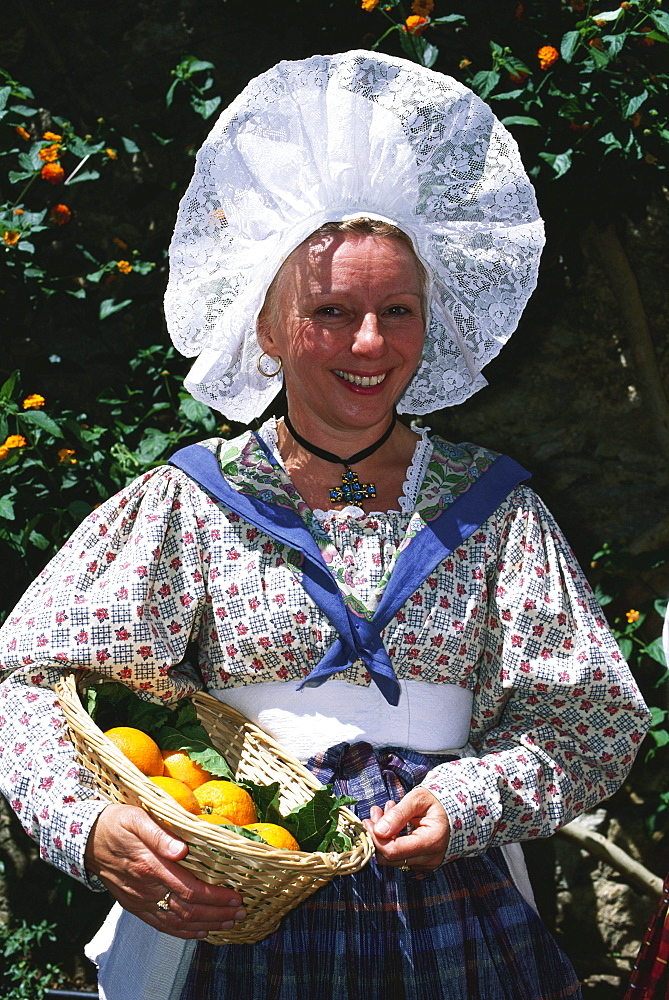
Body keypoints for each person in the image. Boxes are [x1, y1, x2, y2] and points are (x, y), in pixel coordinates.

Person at [0, 51, 651, 1000]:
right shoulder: (187, 504)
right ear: (265, 327)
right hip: (229, 917)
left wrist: (468, 800)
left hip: (456, 926)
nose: (369, 345)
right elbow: (26, 682)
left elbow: (586, 720)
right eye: (330, 311)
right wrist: (91, 830)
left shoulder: (496, 511)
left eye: (397, 310)